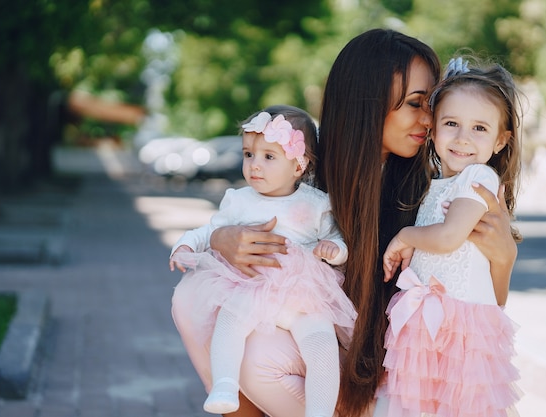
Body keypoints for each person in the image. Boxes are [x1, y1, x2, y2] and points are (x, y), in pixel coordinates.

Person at [170, 29, 518, 417]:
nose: (429, 119)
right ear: (368, 103)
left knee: (258, 361)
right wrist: (221, 238)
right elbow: (255, 213)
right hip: (324, 343)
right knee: (198, 303)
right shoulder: (312, 173)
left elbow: (483, 304)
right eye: (416, 104)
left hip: (397, 369)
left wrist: (504, 258)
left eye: (430, 105)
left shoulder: (437, 185)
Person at [169, 105, 356, 417]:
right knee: (229, 322)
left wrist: (335, 250)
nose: (255, 165)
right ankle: (225, 387)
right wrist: (186, 244)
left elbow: (337, 237)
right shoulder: (239, 199)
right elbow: (211, 230)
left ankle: (319, 411)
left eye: (269, 157)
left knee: (320, 343)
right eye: (248, 155)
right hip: (253, 285)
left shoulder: (316, 204)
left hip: (303, 294)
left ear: (299, 165)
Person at [377, 57, 523, 417]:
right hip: (427, 322)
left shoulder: (479, 178)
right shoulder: (435, 185)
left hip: (461, 331)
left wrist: (405, 235)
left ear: (501, 140)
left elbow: (448, 238)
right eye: (452, 123)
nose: (462, 138)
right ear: (433, 128)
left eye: (479, 128)